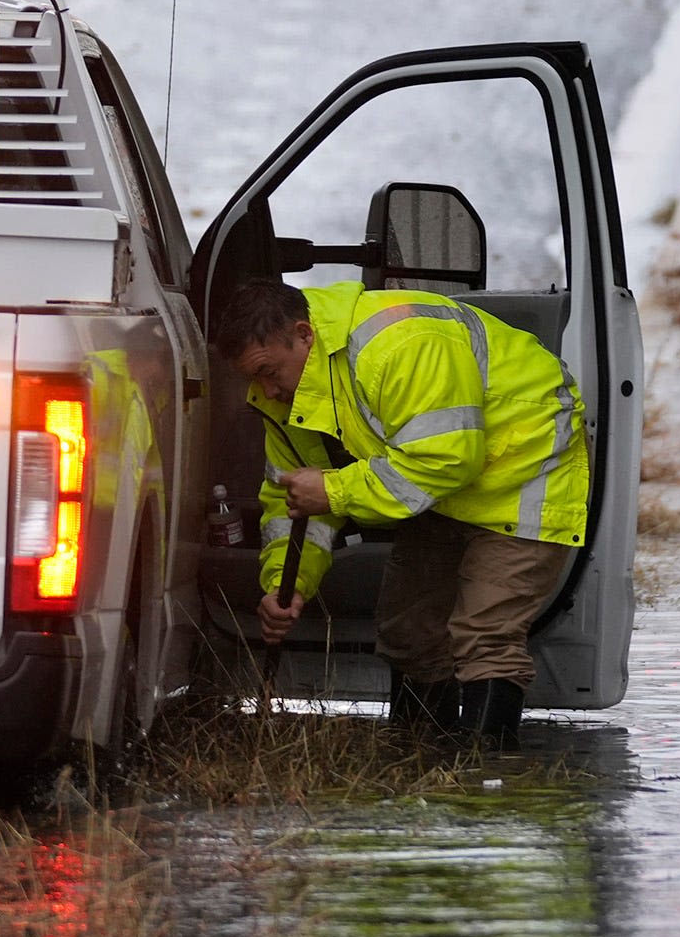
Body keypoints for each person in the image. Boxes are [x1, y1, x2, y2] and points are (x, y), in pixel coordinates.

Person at [217, 277, 589, 750]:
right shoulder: (292, 392)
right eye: (254, 378)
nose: (266, 390)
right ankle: (418, 765)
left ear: (305, 333)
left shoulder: (400, 342)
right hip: (441, 489)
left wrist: (332, 489)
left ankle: (487, 785)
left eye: (270, 371)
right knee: (409, 630)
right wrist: (284, 586)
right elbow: (292, 499)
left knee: (485, 633)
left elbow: (447, 458)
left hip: (524, 472)